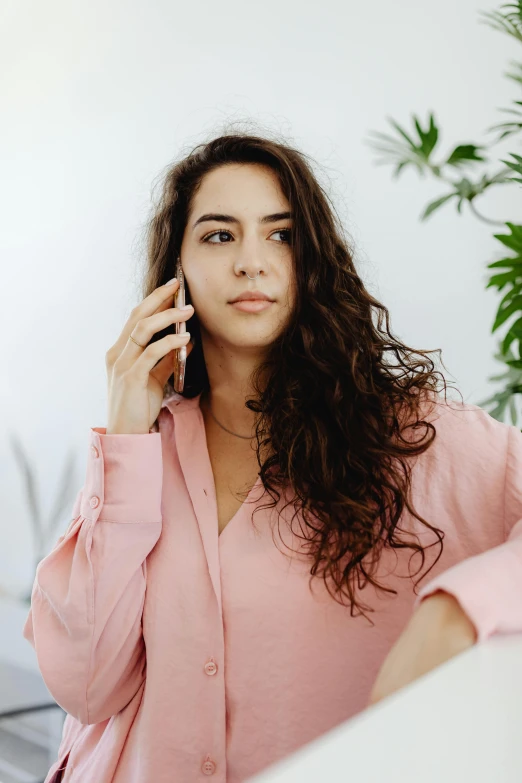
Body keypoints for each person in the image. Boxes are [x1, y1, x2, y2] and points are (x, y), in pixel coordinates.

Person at [23, 131, 522, 783]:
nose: (251, 261)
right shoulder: (142, 451)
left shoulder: (410, 436)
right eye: (220, 235)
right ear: (176, 270)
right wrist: (124, 434)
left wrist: (458, 609)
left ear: (311, 258)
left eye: (280, 234)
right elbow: (86, 687)